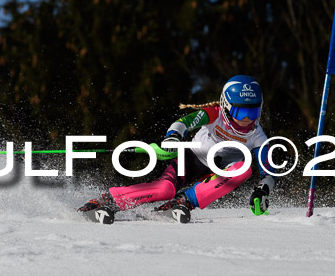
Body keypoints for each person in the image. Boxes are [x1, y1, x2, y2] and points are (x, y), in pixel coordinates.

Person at [78, 75, 276, 223]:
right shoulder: (214, 114)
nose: (247, 119)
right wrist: (172, 138)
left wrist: (263, 191)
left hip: (215, 174)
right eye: (240, 112)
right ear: (226, 106)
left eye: (253, 111)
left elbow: (268, 172)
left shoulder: (257, 135)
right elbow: (183, 122)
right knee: (164, 189)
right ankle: (109, 200)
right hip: (190, 159)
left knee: (244, 169)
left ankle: (184, 202)